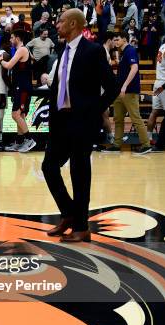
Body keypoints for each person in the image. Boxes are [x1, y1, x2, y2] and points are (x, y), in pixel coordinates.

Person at [42, 9, 117, 243]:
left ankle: (82, 227)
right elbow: (59, 88)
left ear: (73, 24)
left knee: (79, 173)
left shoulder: (93, 51)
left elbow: (112, 88)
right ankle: (69, 214)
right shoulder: (63, 51)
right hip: (61, 122)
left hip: (82, 122)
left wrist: (94, 110)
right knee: (49, 167)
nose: (57, 25)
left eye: (61, 21)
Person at [103, 33, 151, 154]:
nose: (116, 42)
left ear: (124, 39)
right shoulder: (124, 52)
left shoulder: (130, 51)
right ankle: (117, 144)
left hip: (129, 91)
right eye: (115, 40)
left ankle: (146, 145)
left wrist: (124, 86)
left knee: (135, 118)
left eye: (118, 39)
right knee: (118, 118)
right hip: (120, 92)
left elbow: (134, 68)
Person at [0, 30, 35, 153]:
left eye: (12, 37)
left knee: (15, 114)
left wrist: (0, 60)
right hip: (20, 86)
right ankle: (19, 142)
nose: (10, 40)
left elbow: (8, 65)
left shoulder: (22, 50)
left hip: (23, 87)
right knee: (21, 115)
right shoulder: (23, 50)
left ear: (18, 38)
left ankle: (29, 139)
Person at [146, 39, 165, 138]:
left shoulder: (162, 46)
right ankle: (162, 139)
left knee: (154, 112)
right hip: (164, 84)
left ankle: (148, 137)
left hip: (158, 81)